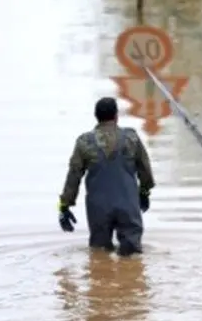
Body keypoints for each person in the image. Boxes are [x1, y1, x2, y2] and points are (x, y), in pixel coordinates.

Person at [59, 97, 156, 256]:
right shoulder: (131, 138)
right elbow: (145, 171)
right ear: (116, 116)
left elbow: (73, 177)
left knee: (99, 254)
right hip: (128, 206)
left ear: (96, 116)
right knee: (132, 256)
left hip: (98, 209)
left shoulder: (84, 142)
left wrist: (64, 206)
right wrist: (144, 192)